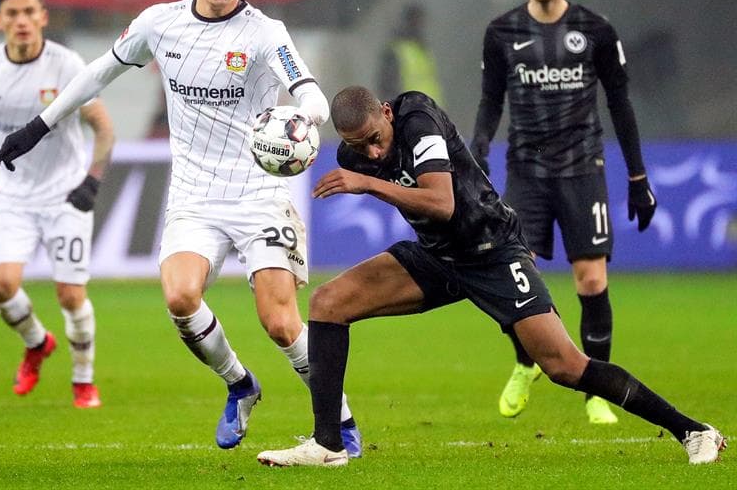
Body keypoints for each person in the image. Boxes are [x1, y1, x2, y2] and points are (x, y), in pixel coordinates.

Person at [0, 0, 362, 455]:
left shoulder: (264, 33)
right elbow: (97, 74)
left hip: (257, 193)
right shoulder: (159, 25)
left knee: (280, 323)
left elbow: (310, 93)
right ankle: (240, 384)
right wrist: (37, 127)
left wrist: (303, 120)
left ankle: (342, 423)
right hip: (193, 196)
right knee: (180, 296)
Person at [255, 86, 724, 467]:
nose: (372, 152)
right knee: (327, 304)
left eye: (375, 138)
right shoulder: (358, 155)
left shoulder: (418, 120)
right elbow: (401, 195)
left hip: (493, 252)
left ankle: (694, 431)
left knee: (563, 366)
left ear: (385, 112)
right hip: (438, 258)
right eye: (359, 147)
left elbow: (442, 203)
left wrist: (367, 183)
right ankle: (328, 444)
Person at [469, 0, 658, 424]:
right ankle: (525, 361)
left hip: (582, 168)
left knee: (591, 279)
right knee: (515, 278)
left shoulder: (595, 30)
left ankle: (597, 392)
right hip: (526, 171)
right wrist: (479, 147)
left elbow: (620, 103)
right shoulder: (501, 32)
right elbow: (492, 100)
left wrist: (638, 177)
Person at [0, 0, 114, 408]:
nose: (21, 21)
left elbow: (103, 128)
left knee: (71, 296)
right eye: (12, 14)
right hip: (10, 197)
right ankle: (37, 342)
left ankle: (83, 381)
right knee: (1, 286)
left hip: (64, 195)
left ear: (43, 17)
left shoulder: (67, 64)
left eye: (29, 12)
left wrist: (92, 180)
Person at [377, 4, 444, 105]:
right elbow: (388, 87)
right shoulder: (397, 49)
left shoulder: (422, 48)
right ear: (408, 22)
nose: (420, 26)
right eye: (417, 21)